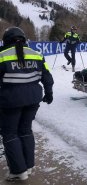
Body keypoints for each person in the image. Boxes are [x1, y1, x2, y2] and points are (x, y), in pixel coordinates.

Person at [0, 27, 54, 181]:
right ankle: (28, 166)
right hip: (33, 99)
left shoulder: (1, 55)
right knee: (25, 130)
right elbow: (47, 75)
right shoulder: (37, 54)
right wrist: (49, 92)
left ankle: (18, 171)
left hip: (10, 101)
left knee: (10, 134)